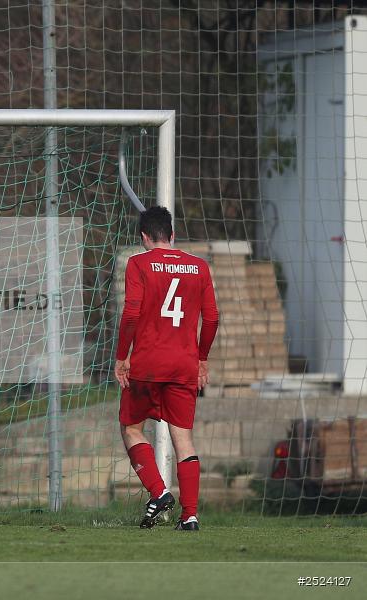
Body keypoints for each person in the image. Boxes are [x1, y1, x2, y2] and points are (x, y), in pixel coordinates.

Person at [114, 206, 219, 531]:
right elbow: (212, 318)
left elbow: (131, 314)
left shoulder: (139, 263)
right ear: (172, 235)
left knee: (131, 428)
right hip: (184, 365)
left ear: (144, 237)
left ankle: (159, 492)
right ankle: (190, 516)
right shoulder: (199, 266)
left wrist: (121, 356)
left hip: (147, 364)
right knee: (183, 438)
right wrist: (201, 358)